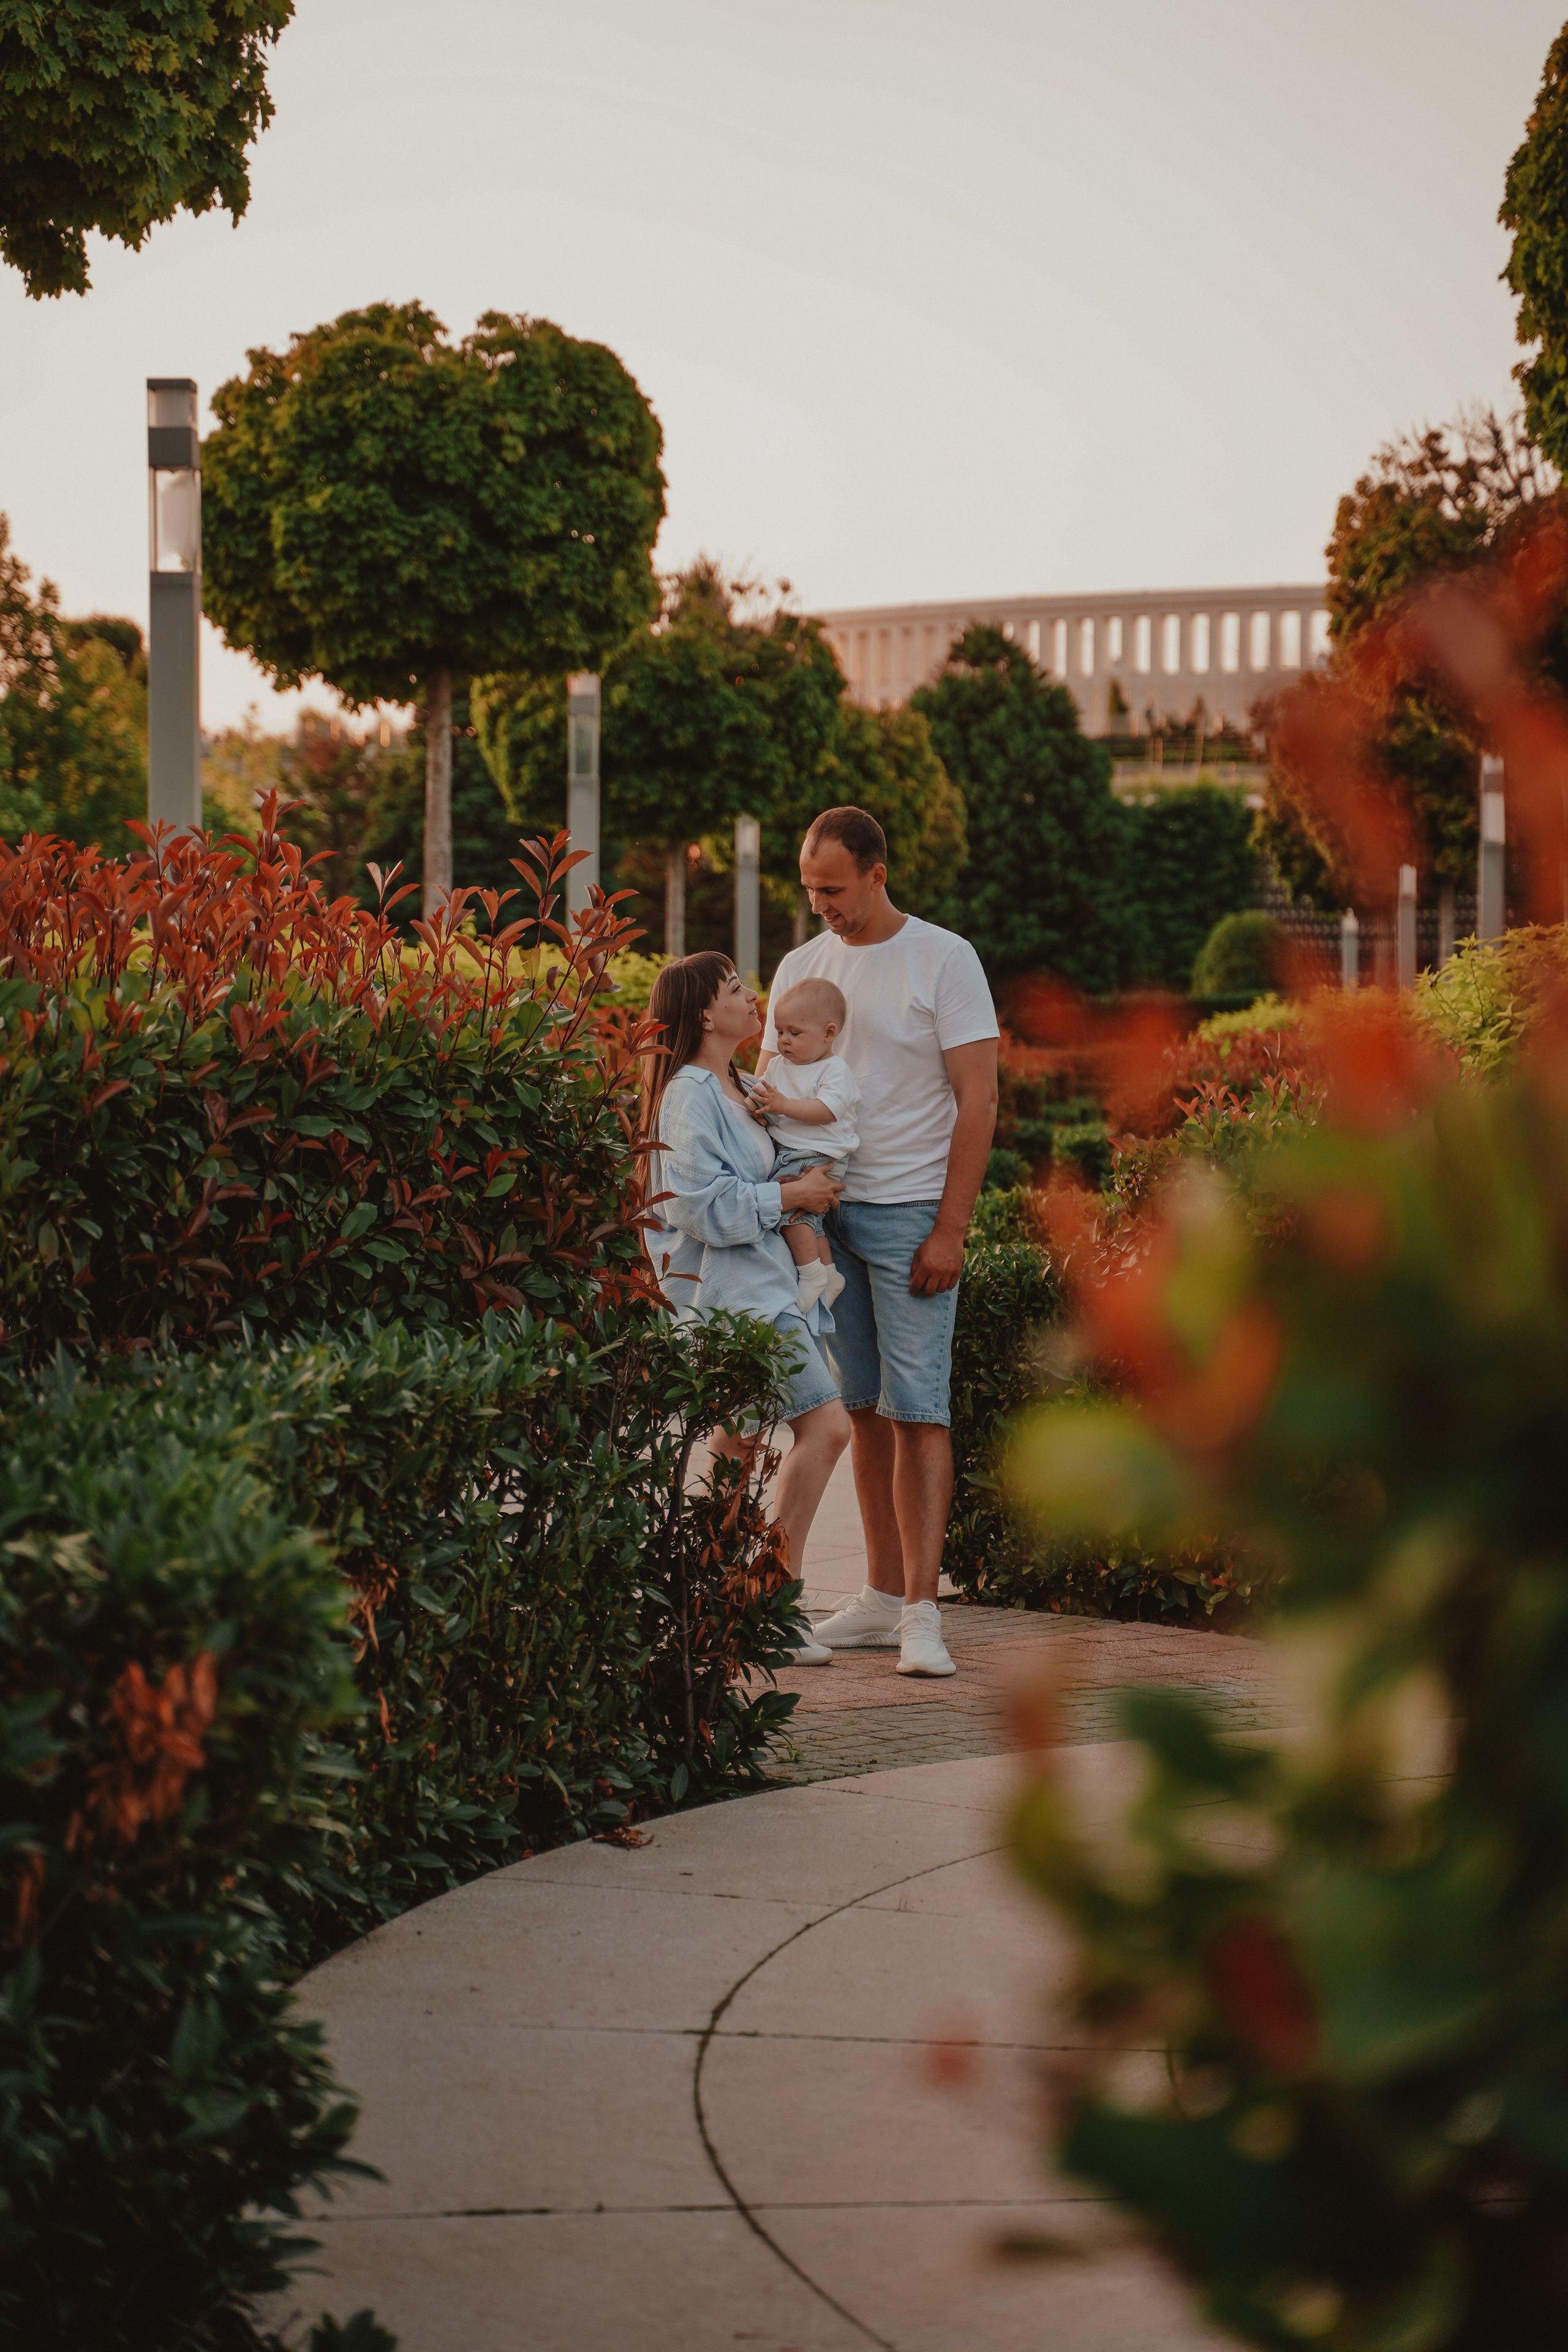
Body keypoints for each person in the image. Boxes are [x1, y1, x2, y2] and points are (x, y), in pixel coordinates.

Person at [755, 807, 998, 1678]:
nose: (818, 903)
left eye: (832, 888)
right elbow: (768, 1090)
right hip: (823, 1218)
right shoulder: (800, 966)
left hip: (909, 1217)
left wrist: (950, 1229)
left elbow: (979, 1099)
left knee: (919, 1411)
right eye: (808, 888)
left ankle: (924, 1615)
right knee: (861, 1409)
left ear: (876, 874)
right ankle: (883, 1597)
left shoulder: (944, 958)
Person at [641, 951, 851, 1663]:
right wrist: (791, 1196)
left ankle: (718, 1600)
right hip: (736, 1302)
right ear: (705, 1013)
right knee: (826, 1427)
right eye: (735, 989)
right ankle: (771, 1601)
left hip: (764, 1289)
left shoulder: (743, 1085)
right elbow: (696, 1206)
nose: (752, 996)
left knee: (740, 1443)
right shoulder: (690, 1094)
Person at [743, 976, 859, 1315]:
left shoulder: (834, 1070)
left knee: (790, 1214)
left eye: (795, 1033)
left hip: (819, 1154)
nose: (784, 1041)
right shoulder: (778, 1065)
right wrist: (758, 1108)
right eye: (780, 1031)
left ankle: (810, 1274)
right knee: (808, 1218)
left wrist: (782, 1106)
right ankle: (829, 1273)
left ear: (828, 1033)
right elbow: (762, 1099)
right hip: (791, 1151)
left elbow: (826, 1111)